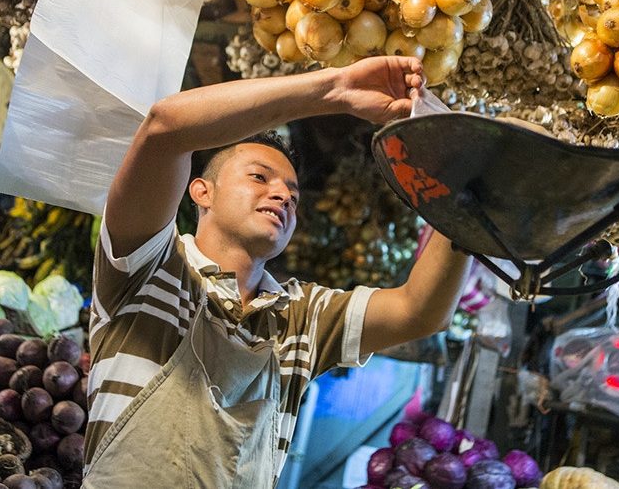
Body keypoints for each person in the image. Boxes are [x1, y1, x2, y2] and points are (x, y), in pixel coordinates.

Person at [81, 55, 473, 488]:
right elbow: (164, 128)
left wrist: (467, 193)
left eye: (293, 193)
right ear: (201, 191)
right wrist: (335, 89)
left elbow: (420, 310)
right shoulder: (148, 266)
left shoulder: (302, 317)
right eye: (259, 177)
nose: (282, 195)